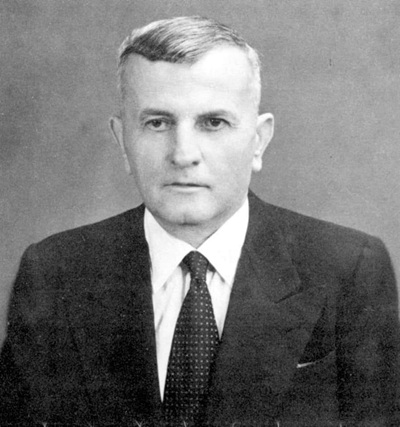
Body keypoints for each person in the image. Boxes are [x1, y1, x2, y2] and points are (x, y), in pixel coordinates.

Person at [0, 16, 399, 427]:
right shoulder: (54, 274)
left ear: (258, 140)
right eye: (158, 123)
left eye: (213, 123)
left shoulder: (349, 270)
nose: (183, 154)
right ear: (122, 141)